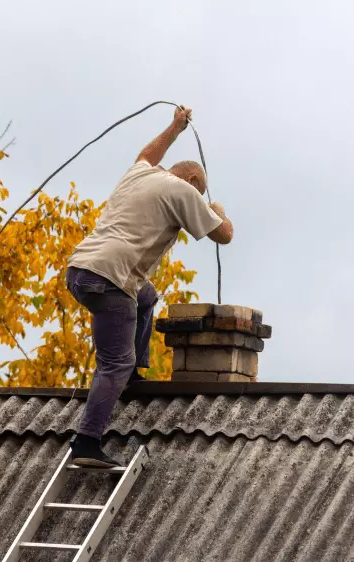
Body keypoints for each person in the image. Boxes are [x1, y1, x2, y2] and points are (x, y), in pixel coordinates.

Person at [65, 105, 234, 467]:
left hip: (81, 269)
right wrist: (216, 208)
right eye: (198, 191)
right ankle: (86, 442)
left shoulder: (141, 173)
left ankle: (133, 375)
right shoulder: (184, 191)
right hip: (112, 279)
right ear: (192, 183)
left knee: (147, 294)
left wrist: (174, 128)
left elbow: (147, 153)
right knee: (114, 362)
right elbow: (225, 235)